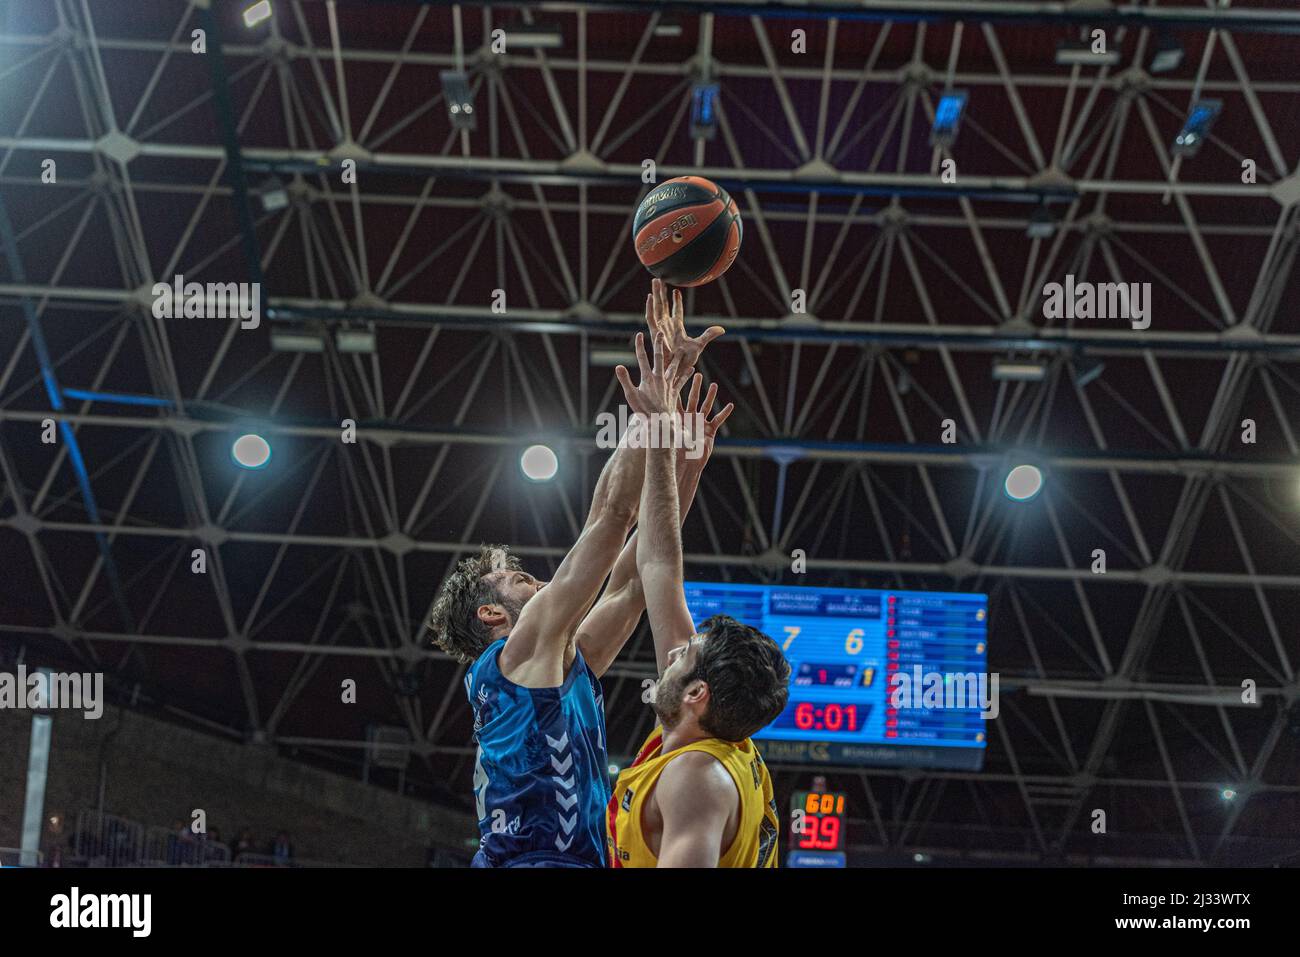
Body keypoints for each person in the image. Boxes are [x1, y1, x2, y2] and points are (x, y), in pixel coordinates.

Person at [428, 280, 723, 868]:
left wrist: (679, 468)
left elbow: (639, 582)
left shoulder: (559, 663)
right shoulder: (516, 654)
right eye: (514, 578)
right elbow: (610, 518)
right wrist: (656, 403)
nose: (534, 581)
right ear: (491, 614)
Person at [606, 325, 790, 868]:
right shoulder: (714, 736)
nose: (671, 652)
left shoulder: (697, 779)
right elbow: (659, 566)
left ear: (697, 694)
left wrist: (661, 434)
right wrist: (681, 459)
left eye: (682, 657)